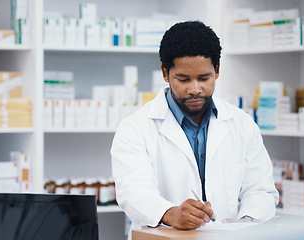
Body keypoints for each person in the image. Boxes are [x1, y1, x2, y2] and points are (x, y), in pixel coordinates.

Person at [111, 21, 279, 238]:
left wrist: (245, 222)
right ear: (165, 72)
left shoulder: (242, 124)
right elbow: (132, 192)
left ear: (217, 70)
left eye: (204, 78)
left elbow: (261, 190)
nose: (195, 89)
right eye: (183, 79)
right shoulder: (135, 128)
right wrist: (171, 213)